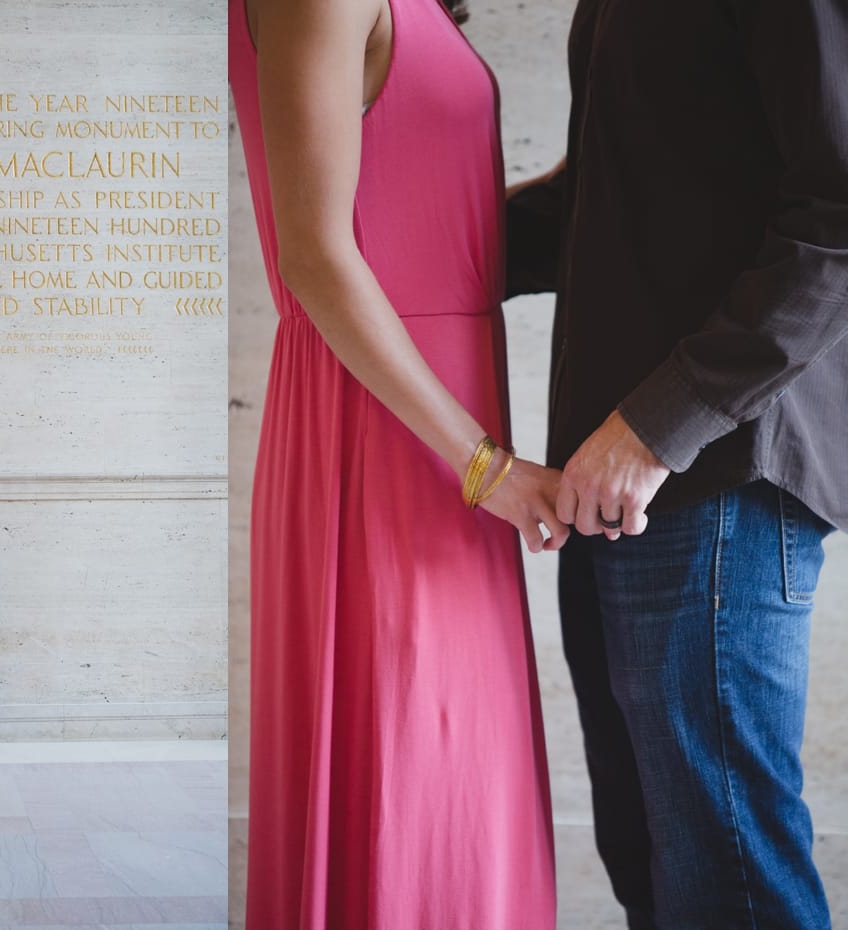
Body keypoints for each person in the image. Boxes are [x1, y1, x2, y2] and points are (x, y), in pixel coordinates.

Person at [506, 2, 848, 927]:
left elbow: (838, 212)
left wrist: (663, 425)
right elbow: (609, 198)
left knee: (725, 880)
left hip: (715, 477)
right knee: (655, 867)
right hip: (616, 481)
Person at [230, 0, 569, 926]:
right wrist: (489, 469)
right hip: (384, 425)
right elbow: (316, 256)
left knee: (452, 777)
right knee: (414, 767)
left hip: (434, 413)